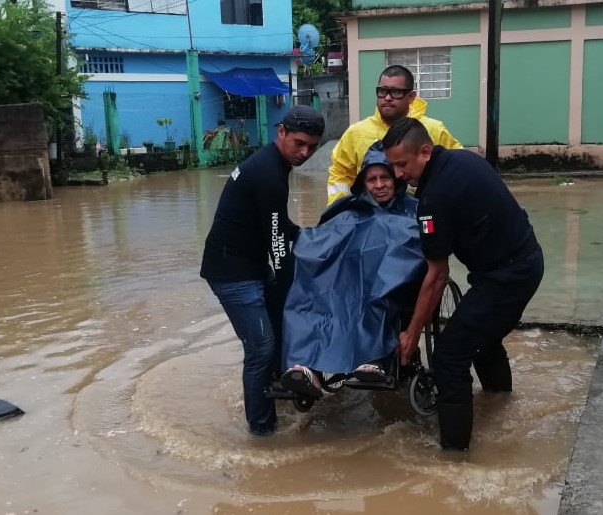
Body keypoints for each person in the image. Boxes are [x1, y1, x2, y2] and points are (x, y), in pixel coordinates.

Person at [382, 118, 544, 451]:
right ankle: (499, 407)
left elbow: (437, 276)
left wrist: (411, 335)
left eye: (402, 165)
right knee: (481, 337)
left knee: (449, 355)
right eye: (392, 166)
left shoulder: (434, 197)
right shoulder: (461, 158)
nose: (398, 175)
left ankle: (454, 456)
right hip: (524, 259)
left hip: (507, 276)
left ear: (424, 152)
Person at [200, 105, 325, 436]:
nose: (305, 152)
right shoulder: (269, 175)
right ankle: (262, 431)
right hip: (232, 272)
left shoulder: (275, 163)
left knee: (278, 328)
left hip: (250, 264)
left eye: (312, 146)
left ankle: (278, 386)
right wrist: (292, 286)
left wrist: (314, 236)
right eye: (299, 143)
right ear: (280, 132)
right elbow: (278, 247)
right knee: (260, 347)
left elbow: (278, 224)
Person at [280, 142, 426, 397]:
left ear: (396, 179)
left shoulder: (413, 211)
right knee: (310, 294)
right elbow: (323, 238)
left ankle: (375, 358)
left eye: (384, 178)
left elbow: (416, 252)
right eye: (372, 180)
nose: (379, 185)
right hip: (347, 282)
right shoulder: (350, 210)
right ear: (363, 183)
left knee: (376, 296)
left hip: (385, 284)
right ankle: (307, 368)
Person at [326, 65, 462, 205]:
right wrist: (341, 211)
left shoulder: (434, 130)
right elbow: (340, 175)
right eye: (382, 91)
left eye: (396, 92)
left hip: (423, 215)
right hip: (371, 219)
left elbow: (457, 169)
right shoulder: (355, 133)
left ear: (411, 97)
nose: (388, 97)